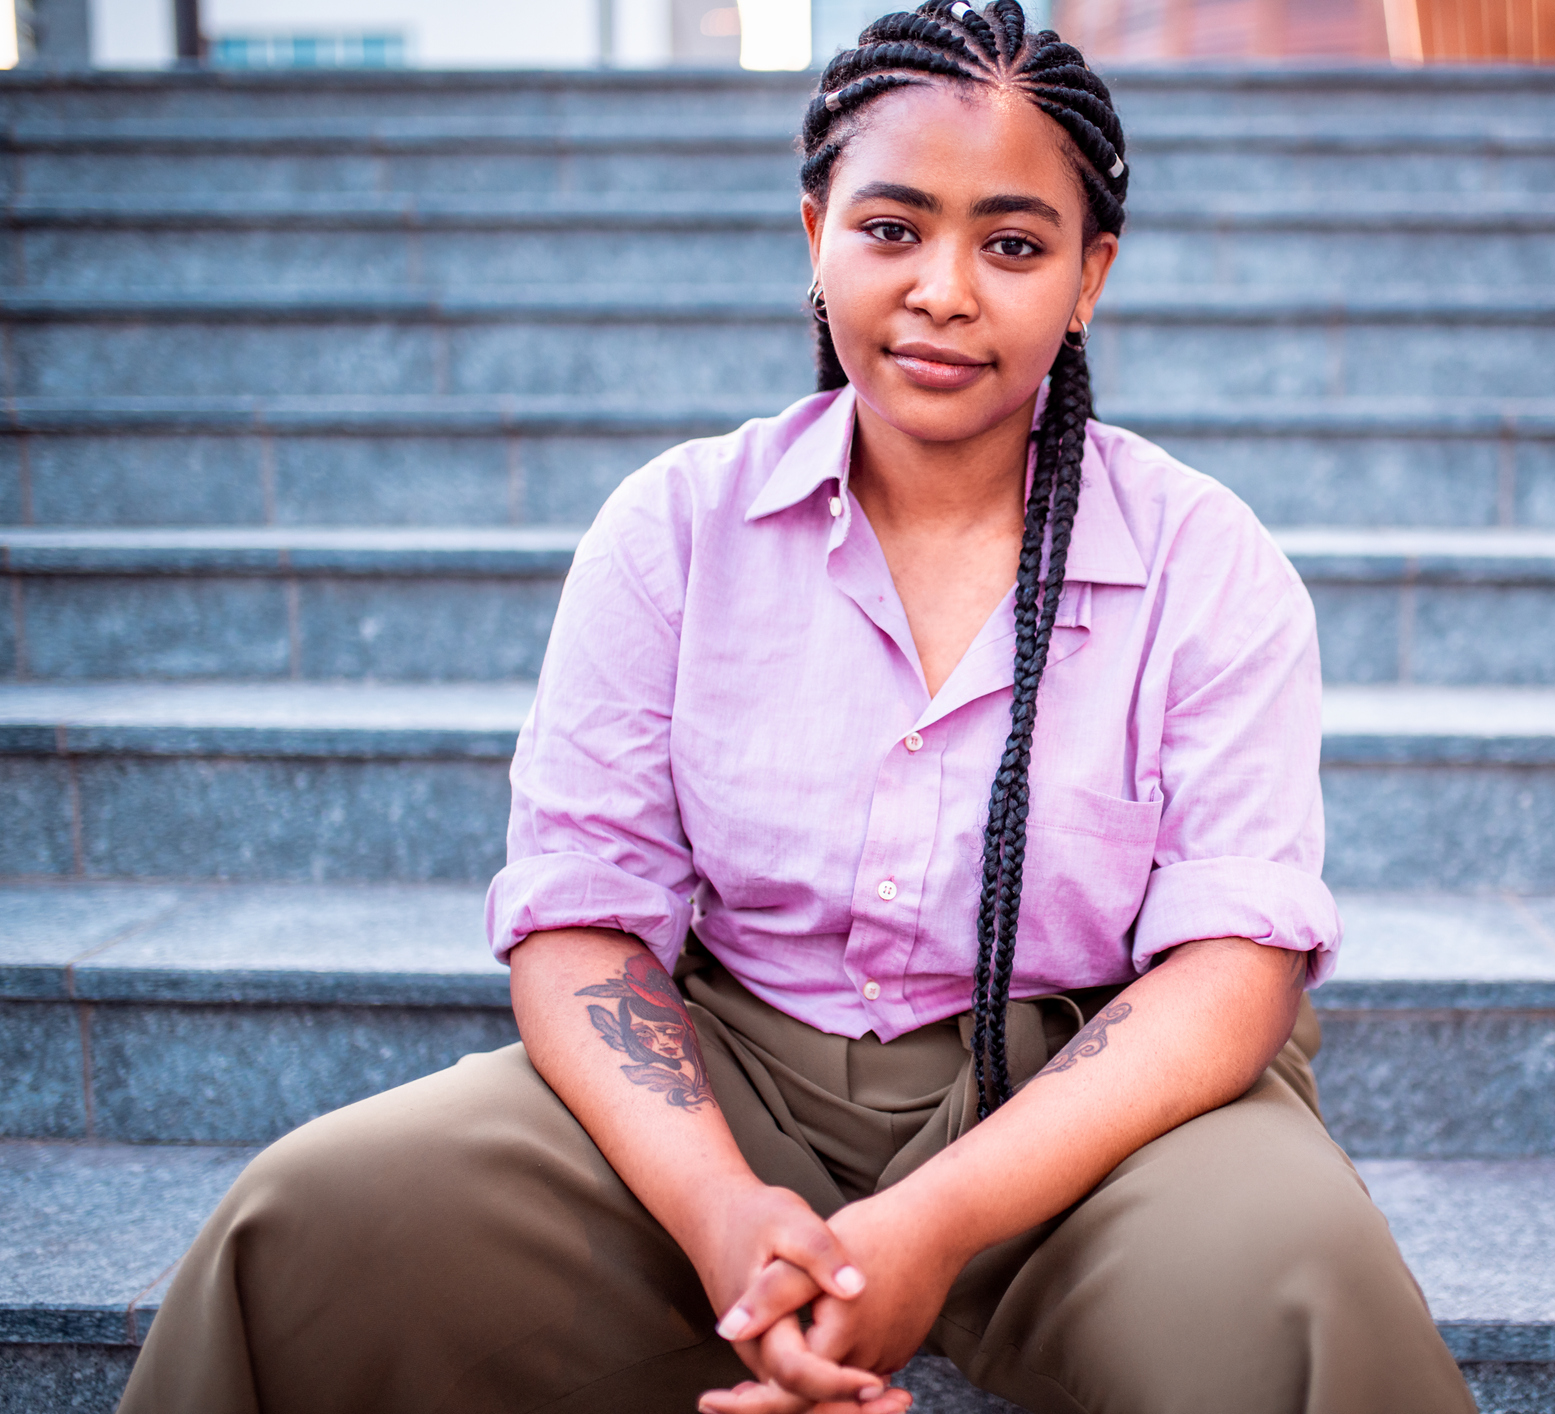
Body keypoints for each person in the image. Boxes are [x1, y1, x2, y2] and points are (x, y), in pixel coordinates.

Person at [117, 4, 1478, 1411]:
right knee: (307, 1223)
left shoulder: (1207, 561)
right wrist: (719, 1214)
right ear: (814, 233)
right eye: (891, 229)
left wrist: (930, 1220)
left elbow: (1231, 970)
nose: (944, 289)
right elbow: (583, 912)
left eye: (1012, 245)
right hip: (725, 1080)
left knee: (1304, 1277)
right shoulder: (675, 528)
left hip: (1086, 1118)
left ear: (1089, 278)